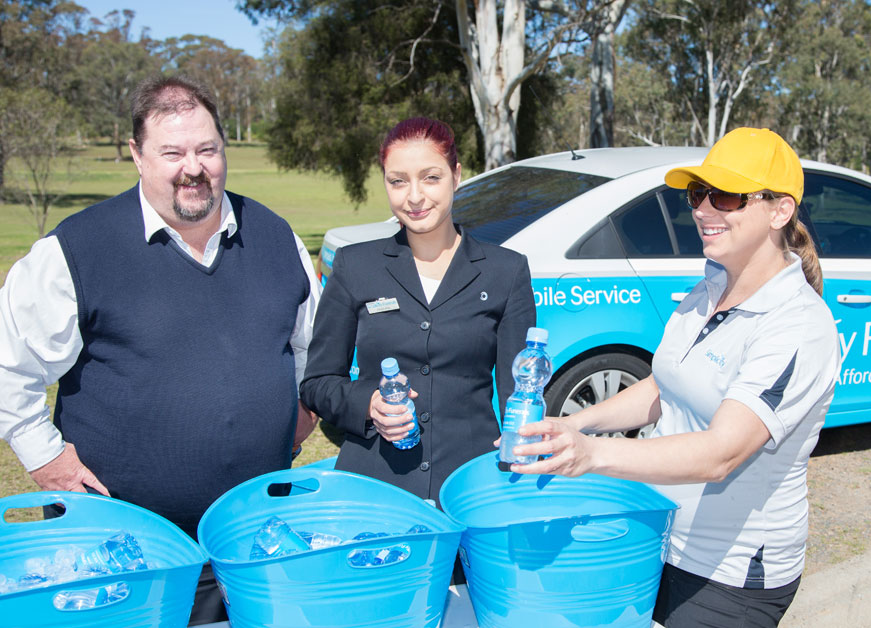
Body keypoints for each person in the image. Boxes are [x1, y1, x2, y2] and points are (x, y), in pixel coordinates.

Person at [0, 75, 320, 624]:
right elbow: (8, 366)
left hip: (257, 543)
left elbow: (311, 352)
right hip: (120, 556)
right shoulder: (74, 250)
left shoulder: (276, 236)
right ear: (137, 155)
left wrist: (295, 418)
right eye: (171, 152)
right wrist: (47, 460)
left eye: (207, 149)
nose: (192, 168)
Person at [508, 128, 840, 627]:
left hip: (729, 577)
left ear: (779, 211)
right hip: (658, 536)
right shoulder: (706, 289)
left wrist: (592, 455)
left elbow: (720, 454)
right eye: (697, 194)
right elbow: (662, 386)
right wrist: (576, 427)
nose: (703, 210)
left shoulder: (799, 326)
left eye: (725, 196)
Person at [300, 116, 535, 506]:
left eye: (430, 178)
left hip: (469, 488)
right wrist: (368, 404)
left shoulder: (506, 271)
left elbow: (518, 395)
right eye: (397, 181)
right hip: (375, 487)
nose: (414, 196)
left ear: (456, 176)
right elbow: (318, 383)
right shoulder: (355, 266)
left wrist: (519, 470)